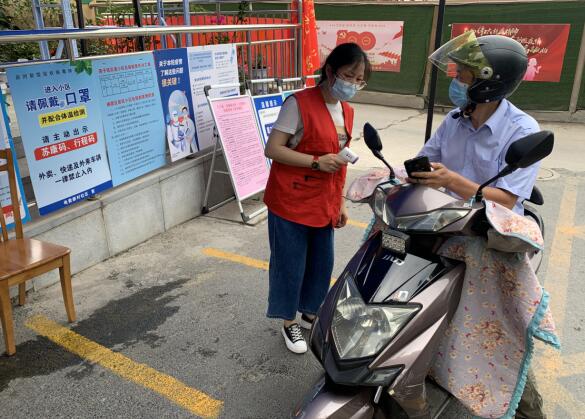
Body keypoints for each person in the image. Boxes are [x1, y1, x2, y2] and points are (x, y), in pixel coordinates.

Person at [411, 32, 546, 418]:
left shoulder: (522, 129)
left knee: (496, 328)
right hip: (444, 227)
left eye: (465, 73)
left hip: (490, 238)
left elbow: (507, 199)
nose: (457, 79)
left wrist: (452, 180)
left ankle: (527, 408)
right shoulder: (454, 120)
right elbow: (426, 158)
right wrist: (408, 177)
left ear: (491, 81)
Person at [263, 43, 371, 354]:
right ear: (330, 71)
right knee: (290, 264)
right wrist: (314, 162)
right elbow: (273, 149)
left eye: (359, 80)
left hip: (324, 201)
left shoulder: (346, 110)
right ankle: (288, 321)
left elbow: (340, 159)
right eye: (348, 76)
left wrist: (340, 203)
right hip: (291, 200)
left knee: (321, 263)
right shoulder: (298, 103)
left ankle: (311, 311)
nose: (352, 84)